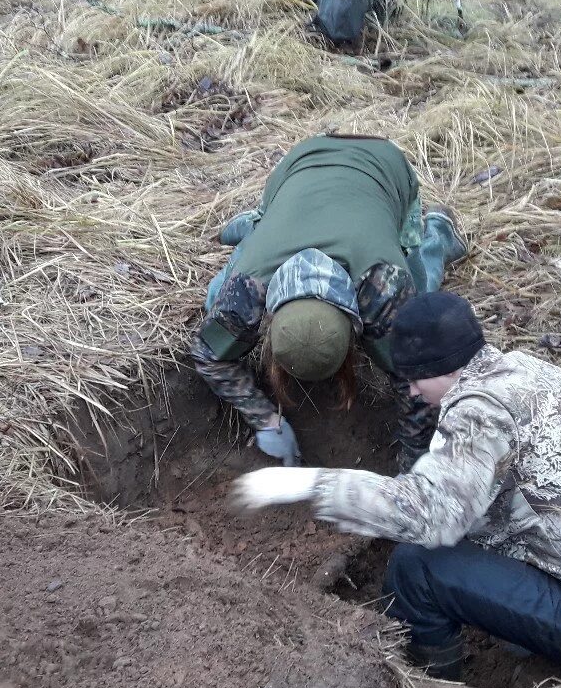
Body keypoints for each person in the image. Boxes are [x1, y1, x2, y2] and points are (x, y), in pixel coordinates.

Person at [233, 291, 561, 680]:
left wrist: (309, 485)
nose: (412, 392)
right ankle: (521, 630)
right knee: (471, 533)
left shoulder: (481, 410)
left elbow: (432, 515)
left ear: (444, 369)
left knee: (416, 568)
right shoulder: (525, 372)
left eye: (415, 378)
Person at [191, 134, 467, 473]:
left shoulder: (384, 288)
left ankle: (439, 233)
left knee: (422, 289)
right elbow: (208, 353)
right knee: (214, 298)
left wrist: (412, 466)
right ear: (269, 314)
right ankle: (258, 225)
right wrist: (264, 418)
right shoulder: (250, 289)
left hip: (383, 167)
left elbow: (418, 381)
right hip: (301, 162)